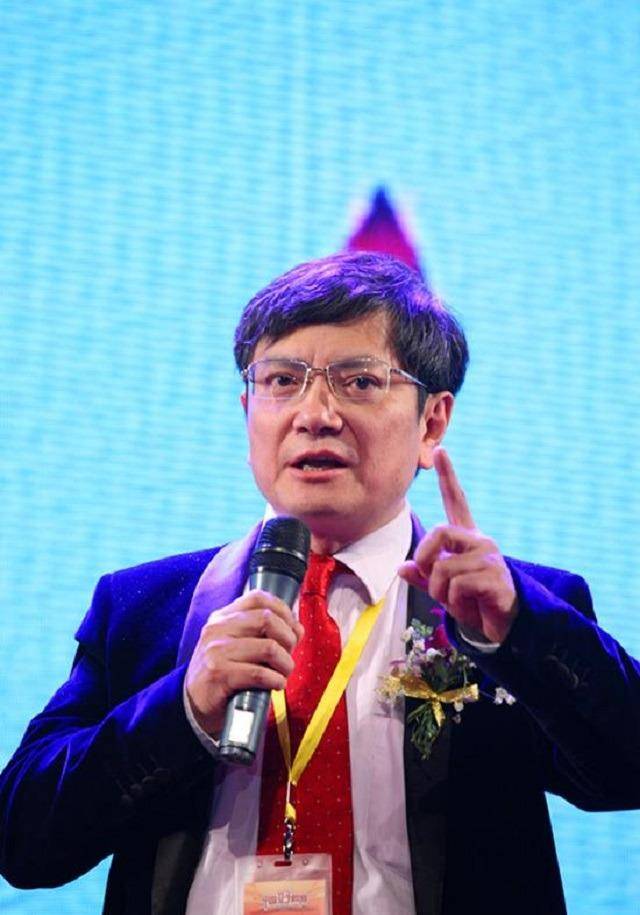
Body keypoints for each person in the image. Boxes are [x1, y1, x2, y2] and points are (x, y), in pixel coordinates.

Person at [1, 251, 639, 915]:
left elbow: (626, 773)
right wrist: (183, 708)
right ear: (248, 410)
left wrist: (519, 631)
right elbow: (23, 841)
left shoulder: (512, 612)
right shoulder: (141, 609)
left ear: (432, 423)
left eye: (358, 382)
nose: (314, 414)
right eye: (282, 380)